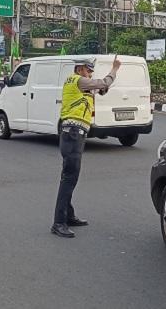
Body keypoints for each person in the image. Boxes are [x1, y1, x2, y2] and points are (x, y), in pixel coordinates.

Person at [51, 56, 121, 239]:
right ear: (80, 69)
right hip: (73, 134)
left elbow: (101, 88)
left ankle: (68, 215)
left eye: (91, 72)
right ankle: (58, 223)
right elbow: (102, 82)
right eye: (88, 71)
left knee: (69, 176)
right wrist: (114, 69)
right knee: (69, 178)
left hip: (73, 134)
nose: (90, 74)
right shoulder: (79, 81)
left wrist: (103, 87)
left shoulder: (80, 84)